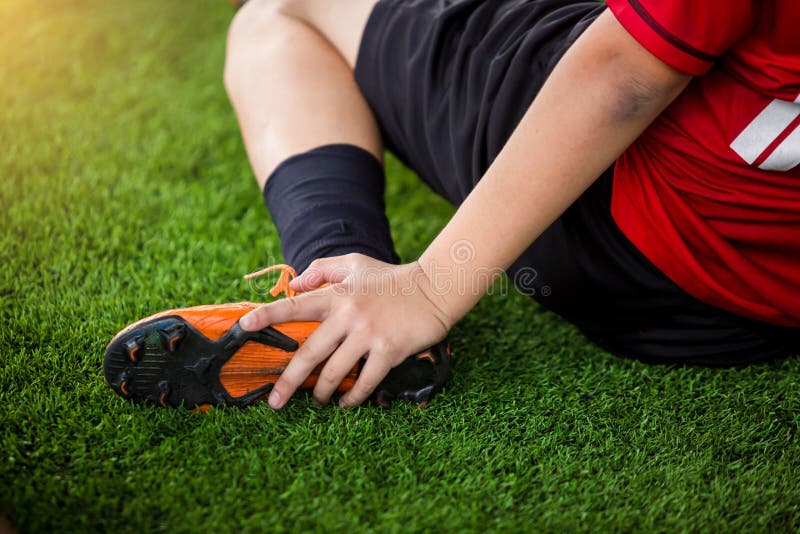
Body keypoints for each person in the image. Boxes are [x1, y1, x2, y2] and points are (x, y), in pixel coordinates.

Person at [105, 0, 799, 411]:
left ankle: (339, 286)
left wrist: (434, 288)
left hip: (617, 225)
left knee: (277, 10)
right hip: (745, 317)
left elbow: (621, 79)